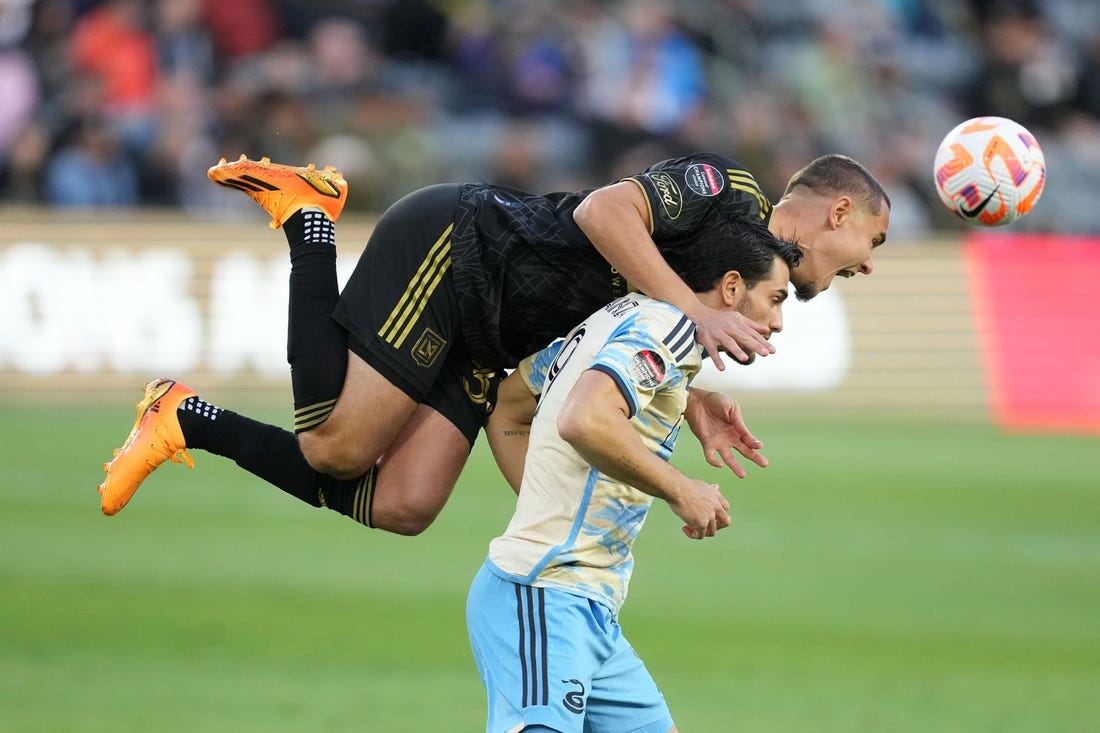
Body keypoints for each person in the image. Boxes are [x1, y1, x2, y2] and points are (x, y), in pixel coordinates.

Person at [98, 151, 889, 535]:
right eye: (874, 241)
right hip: (461, 248)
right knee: (335, 449)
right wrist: (690, 308)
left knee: (405, 505)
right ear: (838, 212)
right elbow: (603, 214)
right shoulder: (731, 192)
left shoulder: (725, 286)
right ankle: (310, 221)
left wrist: (698, 389)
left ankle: (184, 416)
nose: (870, 263)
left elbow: (612, 328)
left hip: (495, 336)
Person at [467, 214, 799, 733]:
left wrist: (548, 501)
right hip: (542, 596)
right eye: (776, 299)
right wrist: (680, 489)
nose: (778, 322)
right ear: (732, 287)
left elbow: (509, 406)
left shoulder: (624, 318)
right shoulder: (667, 326)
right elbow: (585, 418)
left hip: (591, 608)